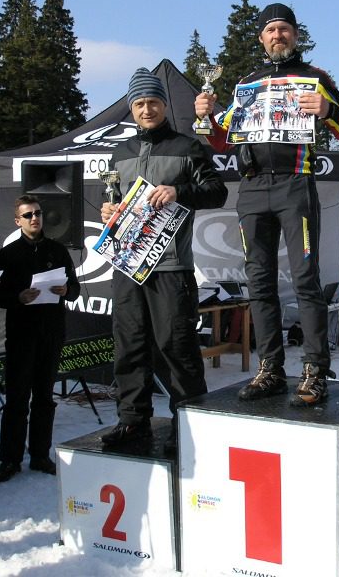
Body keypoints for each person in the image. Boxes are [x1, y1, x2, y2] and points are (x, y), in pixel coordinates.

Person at [194, 2, 339, 407]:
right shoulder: (246, 84)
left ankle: (316, 369)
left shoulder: (315, 77)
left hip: (294, 186)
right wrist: (207, 117)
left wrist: (329, 110)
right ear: (261, 39)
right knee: (258, 281)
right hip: (251, 188)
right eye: (271, 31)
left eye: (284, 29)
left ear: (296, 36)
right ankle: (270, 368)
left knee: (305, 279)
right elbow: (221, 139)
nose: (277, 36)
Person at [100, 68, 228, 449]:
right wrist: (107, 212)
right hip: (127, 264)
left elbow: (217, 193)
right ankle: (132, 422)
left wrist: (178, 191)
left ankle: (187, 423)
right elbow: (108, 198)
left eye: (153, 102)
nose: (146, 109)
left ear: (164, 105)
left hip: (170, 266)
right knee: (130, 345)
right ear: (131, 108)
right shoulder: (119, 152)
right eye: (139, 103)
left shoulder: (187, 146)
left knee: (176, 346)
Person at [0, 195, 80, 482]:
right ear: (17, 221)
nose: (34, 219)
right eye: (28, 215)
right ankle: (9, 459)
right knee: (17, 400)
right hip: (20, 336)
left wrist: (67, 292)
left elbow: (75, 288)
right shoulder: (8, 254)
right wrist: (18, 297)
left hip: (51, 334)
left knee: (45, 398)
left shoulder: (56, 250)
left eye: (38, 213)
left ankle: (40, 454)